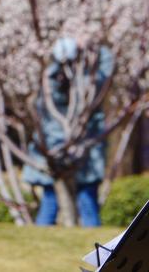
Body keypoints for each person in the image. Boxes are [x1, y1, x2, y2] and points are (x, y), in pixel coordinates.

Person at [22, 36, 112, 227]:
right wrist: (96, 47)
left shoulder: (48, 80)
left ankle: (41, 243)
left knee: (50, 202)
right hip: (83, 154)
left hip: (55, 151)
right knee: (86, 203)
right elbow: (106, 69)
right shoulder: (87, 83)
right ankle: (97, 252)